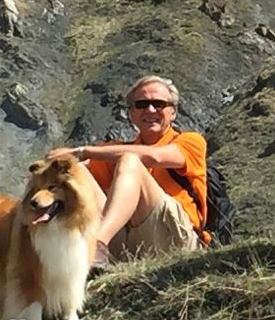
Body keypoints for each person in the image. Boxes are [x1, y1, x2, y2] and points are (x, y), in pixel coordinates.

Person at [47, 75, 207, 265]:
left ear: (173, 112)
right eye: (141, 104)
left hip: (175, 237)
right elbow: (78, 171)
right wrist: (61, 161)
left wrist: (83, 151)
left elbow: (156, 157)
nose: (150, 109)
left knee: (130, 160)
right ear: (131, 113)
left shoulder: (191, 141)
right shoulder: (119, 151)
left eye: (159, 104)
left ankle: (97, 244)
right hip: (131, 244)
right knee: (74, 172)